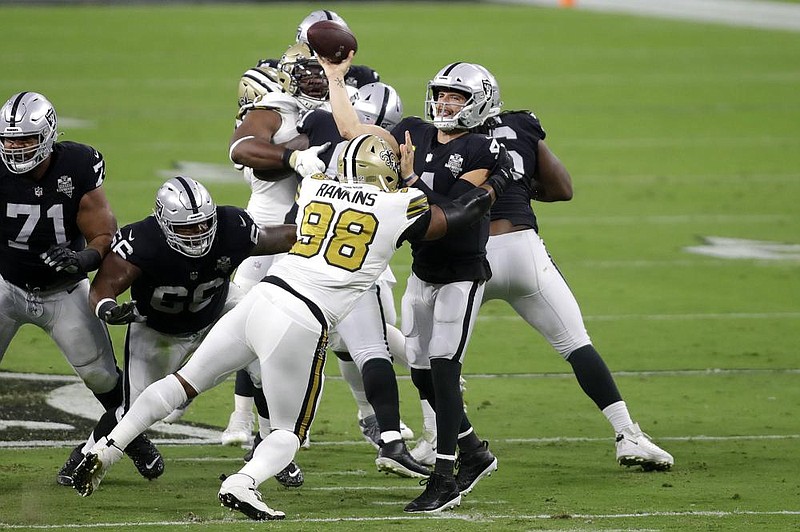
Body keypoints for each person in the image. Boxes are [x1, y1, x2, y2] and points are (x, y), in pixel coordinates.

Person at [70, 134, 514, 523]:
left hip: (262, 297)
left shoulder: (316, 187)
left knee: (181, 384)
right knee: (287, 433)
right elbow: (454, 215)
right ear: (384, 172)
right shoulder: (399, 204)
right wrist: (495, 184)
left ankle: (104, 450)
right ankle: (244, 482)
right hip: (303, 319)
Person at [321, 56, 506, 512]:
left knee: (444, 368)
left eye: (456, 96)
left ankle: (446, 477)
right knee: (422, 373)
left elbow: (448, 215)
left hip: (460, 275)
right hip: (422, 272)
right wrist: (334, 78)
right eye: (441, 93)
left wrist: (408, 179)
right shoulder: (414, 132)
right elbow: (352, 131)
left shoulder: (483, 149)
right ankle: (475, 451)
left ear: (477, 103)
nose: (444, 102)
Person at [475, 66, 674, 471]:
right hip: (525, 250)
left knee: (433, 355)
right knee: (575, 343)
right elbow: (562, 189)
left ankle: (434, 439)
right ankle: (628, 434)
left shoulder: (438, 135)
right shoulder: (520, 126)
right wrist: (517, 183)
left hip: (469, 256)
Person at [61, 176, 296, 488]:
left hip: (219, 310)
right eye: (187, 227)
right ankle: (86, 454)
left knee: (268, 365)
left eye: (203, 224)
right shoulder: (141, 241)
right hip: (158, 329)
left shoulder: (231, 225)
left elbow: (273, 237)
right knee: (133, 410)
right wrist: (107, 309)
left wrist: (319, 233)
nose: (198, 234)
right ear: (163, 223)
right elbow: (102, 289)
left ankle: (269, 451)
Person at [222, 9, 384, 450]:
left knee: (357, 332)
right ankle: (250, 421)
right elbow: (242, 148)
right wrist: (296, 152)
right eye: (310, 62)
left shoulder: (351, 87)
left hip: (328, 227)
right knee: (251, 324)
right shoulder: (274, 96)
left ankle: (368, 412)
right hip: (271, 229)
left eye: (326, 62)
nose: (318, 72)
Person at [0, 91, 133, 485]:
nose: (15, 147)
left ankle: (129, 436)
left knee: (104, 379)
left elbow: (103, 233)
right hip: (6, 287)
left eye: (25, 138)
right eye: (9, 139)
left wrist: (84, 260)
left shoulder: (76, 164)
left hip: (63, 291)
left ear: (47, 135)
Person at [295, 82, 427, 477]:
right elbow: (430, 216)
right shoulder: (393, 201)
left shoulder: (313, 183)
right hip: (350, 274)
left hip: (299, 274)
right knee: (373, 348)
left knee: (359, 348)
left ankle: (268, 443)